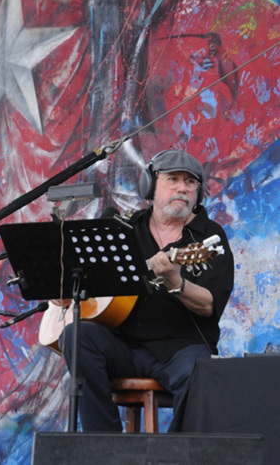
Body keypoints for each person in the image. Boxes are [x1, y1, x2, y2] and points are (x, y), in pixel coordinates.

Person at [59, 149, 234, 432]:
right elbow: (85, 277)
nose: (182, 188)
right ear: (149, 186)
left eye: (190, 182)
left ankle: (176, 456)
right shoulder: (124, 228)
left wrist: (176, 282)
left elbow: (209, 306)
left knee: (199, 371)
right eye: (173, 179)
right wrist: (66, 290)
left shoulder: (209, 237)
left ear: (198, 193)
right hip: (123, 345)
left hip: (180, 349)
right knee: (76, 335)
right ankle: (106, 447)